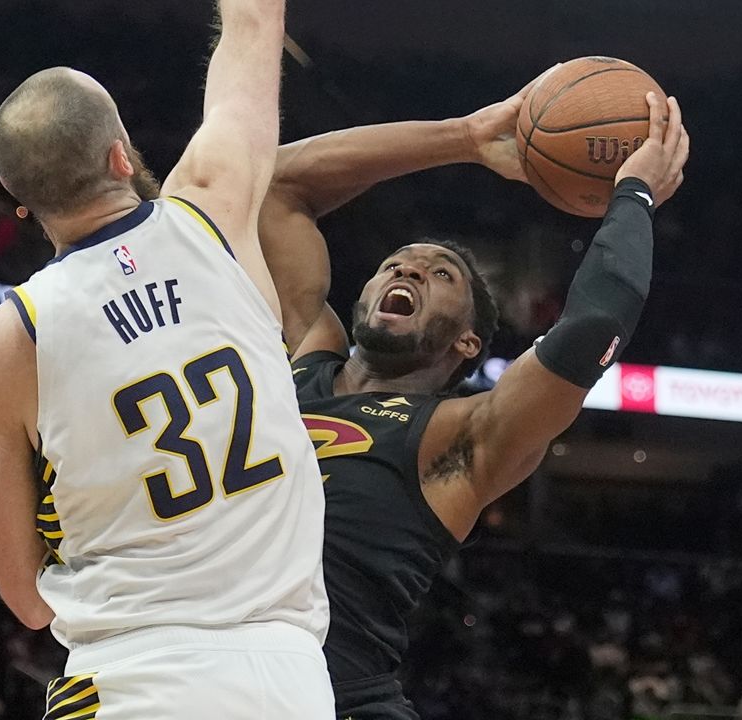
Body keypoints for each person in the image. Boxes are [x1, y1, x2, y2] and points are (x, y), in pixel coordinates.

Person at [259, 86, 689, 719]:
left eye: (440, 275)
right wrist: (464, 138)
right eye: (395, 265)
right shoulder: (307, 356)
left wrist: (634, 195)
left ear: (467, 340)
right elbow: (276, 187)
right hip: (209, 679)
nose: (406, 272)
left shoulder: (462, 435)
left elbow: (595, 324)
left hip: (337, 703)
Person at [0, 1, 333, 717]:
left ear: (18, 202)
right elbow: (255, 24)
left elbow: (26, 600)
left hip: (133, 678)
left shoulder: (1, 344)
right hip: (289, 677)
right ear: (121, 156)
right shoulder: (213, 207)